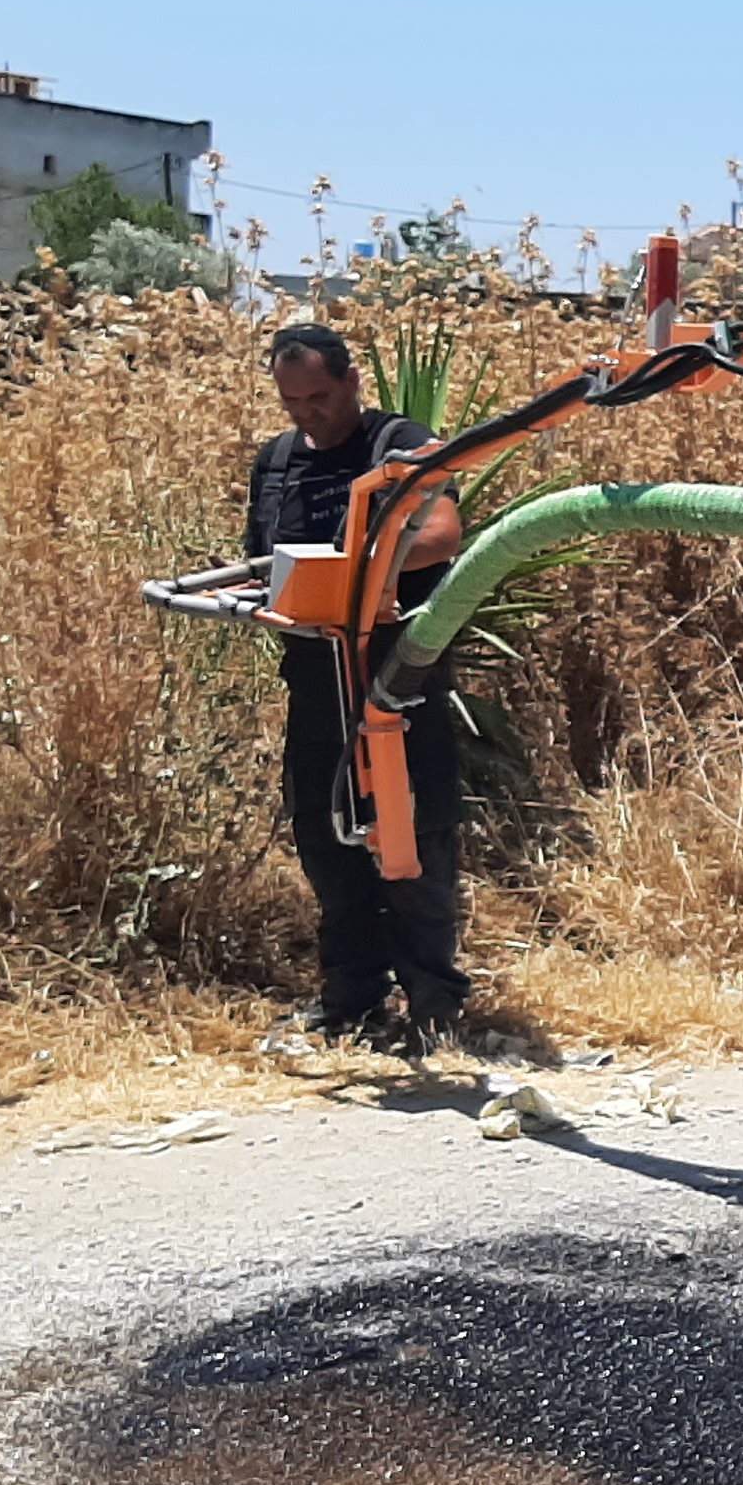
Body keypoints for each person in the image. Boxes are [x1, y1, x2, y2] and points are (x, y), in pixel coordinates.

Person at [249, 325, 469, 1049]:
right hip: (315, 685)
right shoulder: (277, 463)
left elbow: (439, 535)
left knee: (413, 840)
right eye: (292, 402)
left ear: (350, 382)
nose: (307, 413)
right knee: (325, 841)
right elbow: (263, 561)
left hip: (396, 682)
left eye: (319, 396)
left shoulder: (397, 445)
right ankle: (351, 1002)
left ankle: (434, 1005)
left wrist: (358, 570)